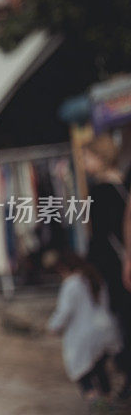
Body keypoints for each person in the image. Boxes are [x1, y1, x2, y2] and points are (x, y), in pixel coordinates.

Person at [46, 252, 122, 415]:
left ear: (64, 268)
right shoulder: (96, 278)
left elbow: (64, 313)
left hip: (83, 336)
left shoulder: (71, 284)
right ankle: (108, 403)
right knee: (100, 369)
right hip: (106, 332)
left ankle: (96, 402)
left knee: (82, 374)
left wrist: (53, 327)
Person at [82, 134, 131, 399]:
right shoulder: (124, 184)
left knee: (121, 323)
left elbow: (100, 235)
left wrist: (88, 268)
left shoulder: (100, 191)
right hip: (124, 260)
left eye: (87, 157)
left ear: (100, 158)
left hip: (115, 266)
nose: (85, 163)